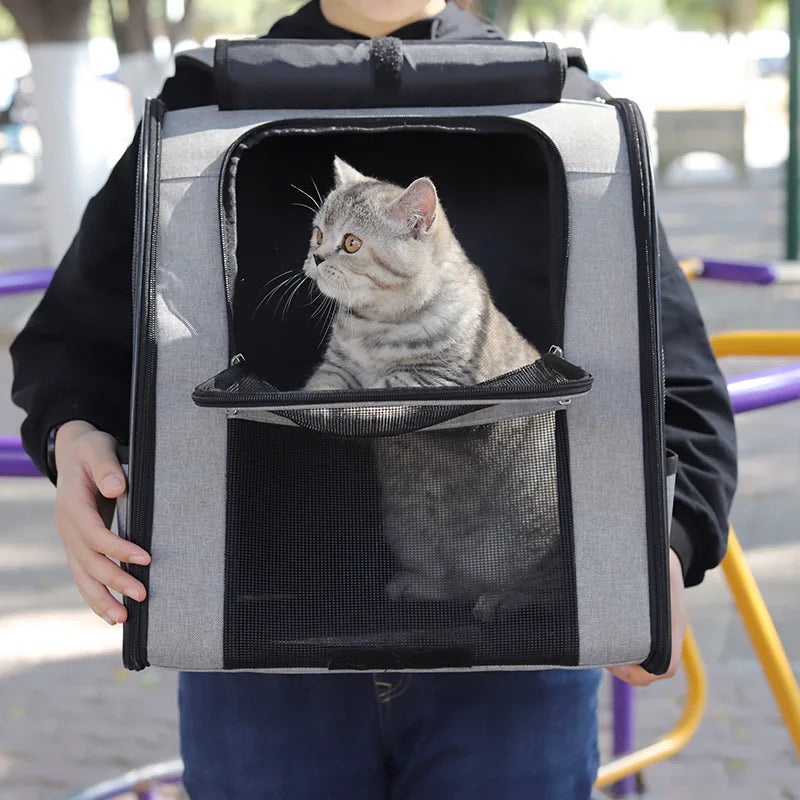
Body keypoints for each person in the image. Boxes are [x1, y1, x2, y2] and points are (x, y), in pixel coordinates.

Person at [10, 1, 736, 797]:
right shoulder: (201, 106)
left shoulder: (568, 108)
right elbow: (68, 345)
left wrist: (667, 539)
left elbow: (680, 384)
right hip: (254, 645)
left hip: (521, 644)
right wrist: (74, 441)